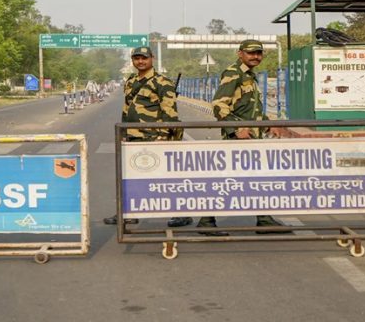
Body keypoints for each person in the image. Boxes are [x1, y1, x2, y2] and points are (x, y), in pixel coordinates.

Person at [196, 39, 287, 236]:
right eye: (251, 53)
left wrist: (267, 124)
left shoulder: (249, 76)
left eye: (259, 53)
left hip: (251, 137)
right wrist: (236, 129)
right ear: (240, 54)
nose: (256, 56)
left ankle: (263, 220)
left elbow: (249, 108)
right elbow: (219, 105)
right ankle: (206, 220)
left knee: (256, 178)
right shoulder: (233, 73)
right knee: (227, 179)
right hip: (237, 139)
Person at [103, 46, 192, 227]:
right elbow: (127, 109)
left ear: (152, 58)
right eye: (137, 58)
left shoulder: (162, 82)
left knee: (167, 177)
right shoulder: (131, 81)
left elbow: (170, 113)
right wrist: (124, 133)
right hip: (134, 136)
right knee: (130, 176)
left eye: (144, 58)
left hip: (155, 136)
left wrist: (164, 136)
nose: (140, 61)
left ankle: (182, 213)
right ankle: (129, 212)